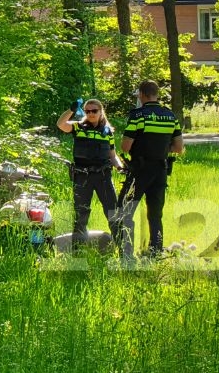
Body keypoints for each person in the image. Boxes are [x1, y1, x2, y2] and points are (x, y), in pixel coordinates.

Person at [115, 80, 184, 258]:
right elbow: (178, 148)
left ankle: (126, 251)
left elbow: (125, 146)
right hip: (161, 169)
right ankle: (156, 251)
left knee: (125, 210)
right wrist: (160, 149)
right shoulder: (170, 116)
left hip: (139, 169)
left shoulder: (138, 116)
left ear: (142, 95)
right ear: (157, 94)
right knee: (155, 214)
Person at [57, 98, 122, 250]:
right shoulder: (78, 127)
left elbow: (113, 155)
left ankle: (123, 251)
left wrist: (120, 167)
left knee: (113, 213)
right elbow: (61, 124)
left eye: (94, 111)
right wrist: (71, 110)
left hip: (103, 177)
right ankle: (78, 251)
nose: (91, 114)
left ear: (101, 112)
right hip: (82, 177)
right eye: (87, 111)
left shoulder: (107, 132)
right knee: (81, 215)